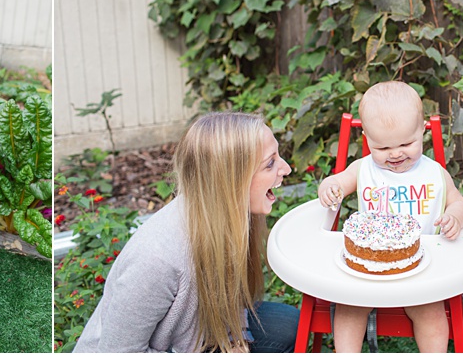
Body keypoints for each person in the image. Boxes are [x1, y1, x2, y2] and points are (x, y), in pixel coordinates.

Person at [74, 112, 300, 353]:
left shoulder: (230, 216)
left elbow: (229, 295)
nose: (285, 169)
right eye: (270, 163)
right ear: (230, 179)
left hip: (199, 335)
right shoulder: (156, 259)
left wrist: (236, 338)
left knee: (288, 324)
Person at [317, 81, 463, 353]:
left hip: (421, 266)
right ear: (366, 139)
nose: (396, 154)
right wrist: (330, 188)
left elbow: (459, 202)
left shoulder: (434, 173)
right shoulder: (363, 169)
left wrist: (454, 216)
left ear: (421, 132)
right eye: (383, 148)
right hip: (369, 266)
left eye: (406, 143)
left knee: (432, 316)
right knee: (349, 306)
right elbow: (337, 181)